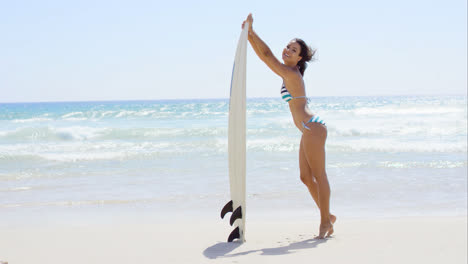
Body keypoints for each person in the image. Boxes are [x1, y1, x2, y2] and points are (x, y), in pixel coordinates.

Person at [242, 13, 335, 239]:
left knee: (319, 175)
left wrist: (252, 33)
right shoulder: (289, 73)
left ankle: (324, 222)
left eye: (293, 50)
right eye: (287, 47)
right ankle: (328, 215)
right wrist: (248, 35)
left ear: (300, 58)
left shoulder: (291, 73)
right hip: (307, 129)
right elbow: (267, 56)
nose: (287, 51)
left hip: (313, 127)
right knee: (305, 177)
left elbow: (266, 56)